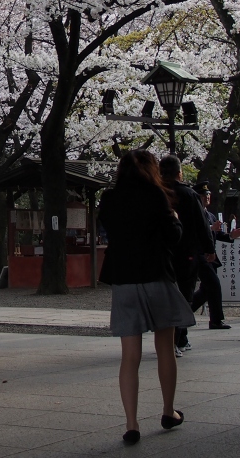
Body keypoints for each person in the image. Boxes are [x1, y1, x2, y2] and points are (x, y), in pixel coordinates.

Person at [99, 150, 195, 445]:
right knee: (165, 347)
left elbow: (108, 232)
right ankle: (168, 411)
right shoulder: (157, 195)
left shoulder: (109, 199)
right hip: (157, 277)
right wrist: (175, 218)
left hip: (125, 282)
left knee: (130, 357)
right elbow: (173, 236)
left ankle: (131, 425)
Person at [159, 155, 214, 354]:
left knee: (165, 296)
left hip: (161, 253)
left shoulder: (155, 193)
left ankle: (169, 339)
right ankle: (178, 338)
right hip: (186, 252)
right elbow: (202, 225)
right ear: (179, 172)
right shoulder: (189, 194)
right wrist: (209, 249)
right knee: (184, 295)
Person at [191, 181, 240, 330]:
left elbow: (217, 235)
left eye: (208, 194)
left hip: (210, 257)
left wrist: (231, 236)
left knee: (206, 290)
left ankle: (183, 313)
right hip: (199, 255)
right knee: (214, 285)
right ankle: (216, 320)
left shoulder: (210, 215)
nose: (207, 197)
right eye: (204, 195)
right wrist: (211, 228)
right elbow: (196, 233)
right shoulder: (193, 214)